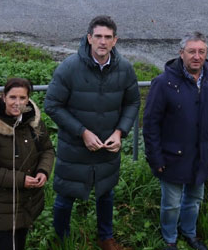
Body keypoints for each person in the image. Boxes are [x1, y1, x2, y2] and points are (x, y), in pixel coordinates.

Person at [44, 15, 140, 250]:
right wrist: (82, 132)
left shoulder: (124, 69)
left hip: (107, 147)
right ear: (89, 38)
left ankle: (105, 237)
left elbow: (132, 103)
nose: (103, 42)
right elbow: (52, 105)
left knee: (105, 193)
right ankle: (62, 240)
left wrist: (120, 132)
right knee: (66, 197)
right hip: (75, 147)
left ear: (115, 40)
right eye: (98, 36)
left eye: (108, 37)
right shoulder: (69, 67)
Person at [142, 32, 208, 250]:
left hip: (202, 154)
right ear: (181, 53)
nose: (197, 56)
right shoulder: (163, 83)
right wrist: (155, 157)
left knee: (194, 199)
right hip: (171, 156)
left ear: (206, 53)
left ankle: (189, 233)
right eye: (191, 51)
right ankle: (170, 238)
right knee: (171, 204)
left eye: (201, 51)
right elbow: (151, 123)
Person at [0, 77, 55, 250]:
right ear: (4, 97)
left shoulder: (33, 122)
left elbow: (47, 150)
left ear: (28, 99)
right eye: (12, 97)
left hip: (29, 201)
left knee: (21, 241)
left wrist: (43, 171)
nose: (17, 103)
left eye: (22, 98)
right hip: (5, 206)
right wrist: (22, 180)